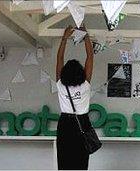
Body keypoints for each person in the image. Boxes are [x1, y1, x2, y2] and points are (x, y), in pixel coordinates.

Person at [55, 25, 94, 170]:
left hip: (65, 123)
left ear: (64, 73)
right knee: (81, 161)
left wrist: (65, 38)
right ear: (81, 73)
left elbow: (59, 58)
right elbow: (90, 56)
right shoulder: (85, 84)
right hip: (82, 122)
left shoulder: (60, 84)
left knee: (64, 160)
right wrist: (86, 36)